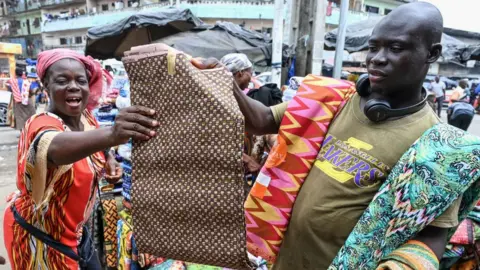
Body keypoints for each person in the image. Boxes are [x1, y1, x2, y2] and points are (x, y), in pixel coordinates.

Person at [196, 2, 460, 268]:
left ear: (432, 53)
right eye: (373, 47)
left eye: (395, 48)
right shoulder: (330, 100)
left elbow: (432, 236)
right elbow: (261, 120)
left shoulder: (438, 146)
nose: (377, 58)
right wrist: (224, 81)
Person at [3, 49, 158, 269]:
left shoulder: (86, 118)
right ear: (46, 85)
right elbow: (52, 145)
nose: (74, 86)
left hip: (75, 233)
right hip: (40, 237)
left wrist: (110, 160)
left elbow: (98, 146)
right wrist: (113, 134)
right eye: (62, 80)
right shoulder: (39, 123)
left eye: (80, 80)